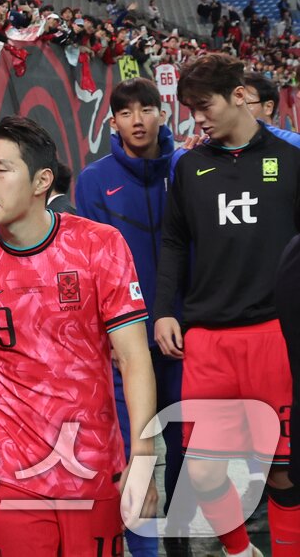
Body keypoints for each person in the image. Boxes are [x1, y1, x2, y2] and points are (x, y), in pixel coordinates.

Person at [0, 116, 157, 556]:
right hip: (8, 471)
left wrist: (144, 456)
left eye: (3, 170)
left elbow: (134, 359)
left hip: (92, 464)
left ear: (42, 180)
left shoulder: (100, 245)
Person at [154, 54, 300, 557]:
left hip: (274, 336)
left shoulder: (291, 159)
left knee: (283, 471)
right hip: (207, 340)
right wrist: (164, 310)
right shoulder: (190, 166)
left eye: (204, 105)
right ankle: (239, 550)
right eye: (191, 109)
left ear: (239, 95)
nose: (197, 119)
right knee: (203, 469)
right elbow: (173, 241)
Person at [75, 77, 189, 557]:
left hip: (184, 333)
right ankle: (139, 543)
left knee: (187, 448)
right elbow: (89, 264)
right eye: (126, 112)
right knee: (130, 450)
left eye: (147, 109)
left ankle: (181, 534)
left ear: (162, 113)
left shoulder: (187, 168)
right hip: (124, 343)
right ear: (114, 120)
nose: (137, 120)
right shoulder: (94, 180)